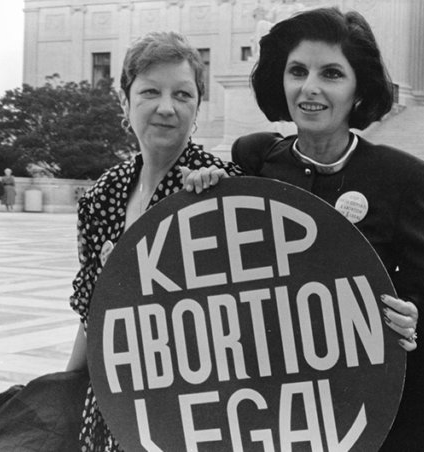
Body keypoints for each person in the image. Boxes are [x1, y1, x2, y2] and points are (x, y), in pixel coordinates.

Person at [183, 8, 424, 451]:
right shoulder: (255, 160)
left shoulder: (405, 176)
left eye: (332, 74)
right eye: (297, 71)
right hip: (273, 400)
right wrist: (205, 190)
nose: (310, 88)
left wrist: (413, 310)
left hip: (366, 405)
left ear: (359, 88)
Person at [62, 31, 243, 451]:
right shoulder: (101, 197)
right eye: (150, 92)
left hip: (196, 412)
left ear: (198, 107)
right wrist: (62, 395)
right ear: (125, 102)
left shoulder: (222, 189)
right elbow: (92, 319)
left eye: (183, 94)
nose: (166, 108)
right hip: (114, 406)